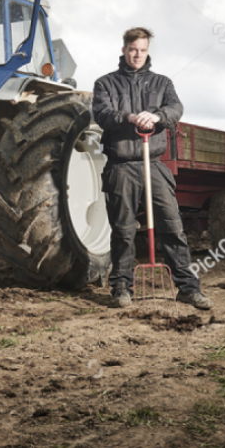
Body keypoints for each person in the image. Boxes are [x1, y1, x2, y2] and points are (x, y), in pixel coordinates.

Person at [92, 27, 213, 310]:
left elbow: (175, 108)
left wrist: (157, 117)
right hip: (121, 166)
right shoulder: (105, 83)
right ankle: (121, 288)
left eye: (143, 50)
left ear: (148, 52)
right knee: (122, 230)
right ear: (124, 49)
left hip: (154, 164)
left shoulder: (162, 83)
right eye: (133, 49)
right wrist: (130, 117)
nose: (138, 55)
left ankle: (188, 288)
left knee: (172, 226)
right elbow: (103, 114)